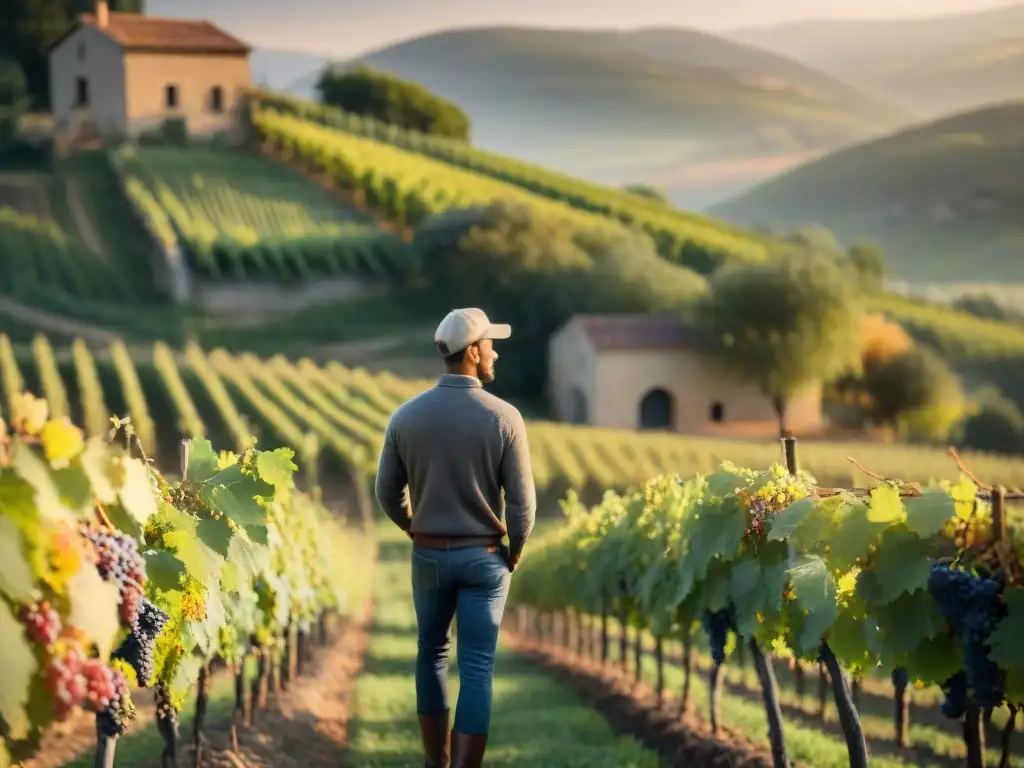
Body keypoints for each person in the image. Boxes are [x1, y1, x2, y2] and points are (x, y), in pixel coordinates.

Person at [374, 307, 537, 768]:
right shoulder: (505, 417)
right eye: (490, 344)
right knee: (478, 667)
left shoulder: (406, 417)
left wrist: (414, 527)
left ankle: (435, 763)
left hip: (428, 556)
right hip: (485, 558)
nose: (495, 353)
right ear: (472, 353)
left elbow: (386, 491)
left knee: (430, 655)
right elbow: (522, 505)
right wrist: (515, 551)